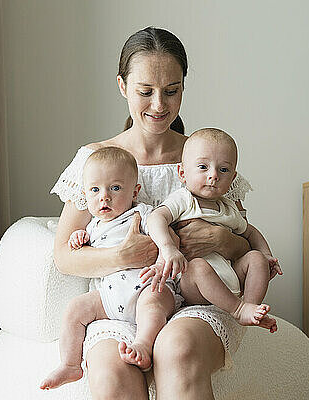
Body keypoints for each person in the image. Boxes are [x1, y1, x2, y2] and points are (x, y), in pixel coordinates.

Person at [50, 26, 266, 399]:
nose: (159, 105)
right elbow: (64, 257)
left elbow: (242, 240)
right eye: (145, 92)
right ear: (122, 87)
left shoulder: (204, 157)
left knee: (176, 349)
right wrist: (123, 255)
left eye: (172, 91)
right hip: (120, 303)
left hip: (199, 297)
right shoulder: (95, 160)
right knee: (112, 371)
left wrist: (220, 240)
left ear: (183, 86)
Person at [40, 147, 182, 390]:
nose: (104, 197)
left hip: (148, 285)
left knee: (151, 305)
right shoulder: (93, 226)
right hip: (110, 297)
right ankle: (71, 364)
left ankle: (143, 345)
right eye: (95, 190)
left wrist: (166, 249)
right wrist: (79, 237)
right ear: (86, 194)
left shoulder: (143, 213)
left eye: (115, 188)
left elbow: (167, 235)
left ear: (134, 191)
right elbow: (77, 255)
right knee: (76, 309)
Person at [145, 128, 282, 333]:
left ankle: (250, 308)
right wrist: (168, 248)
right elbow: (156, 217)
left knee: (255, 258)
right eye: (203, 167)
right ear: (182, 173)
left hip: (230, 281)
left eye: (224, 170)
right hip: (193, 285)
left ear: (233, 177)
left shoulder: (228, 207)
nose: (214, 175)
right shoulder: (184, 199)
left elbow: (251, 232)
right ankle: (238, 309)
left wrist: (266, 254)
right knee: (199, 267)